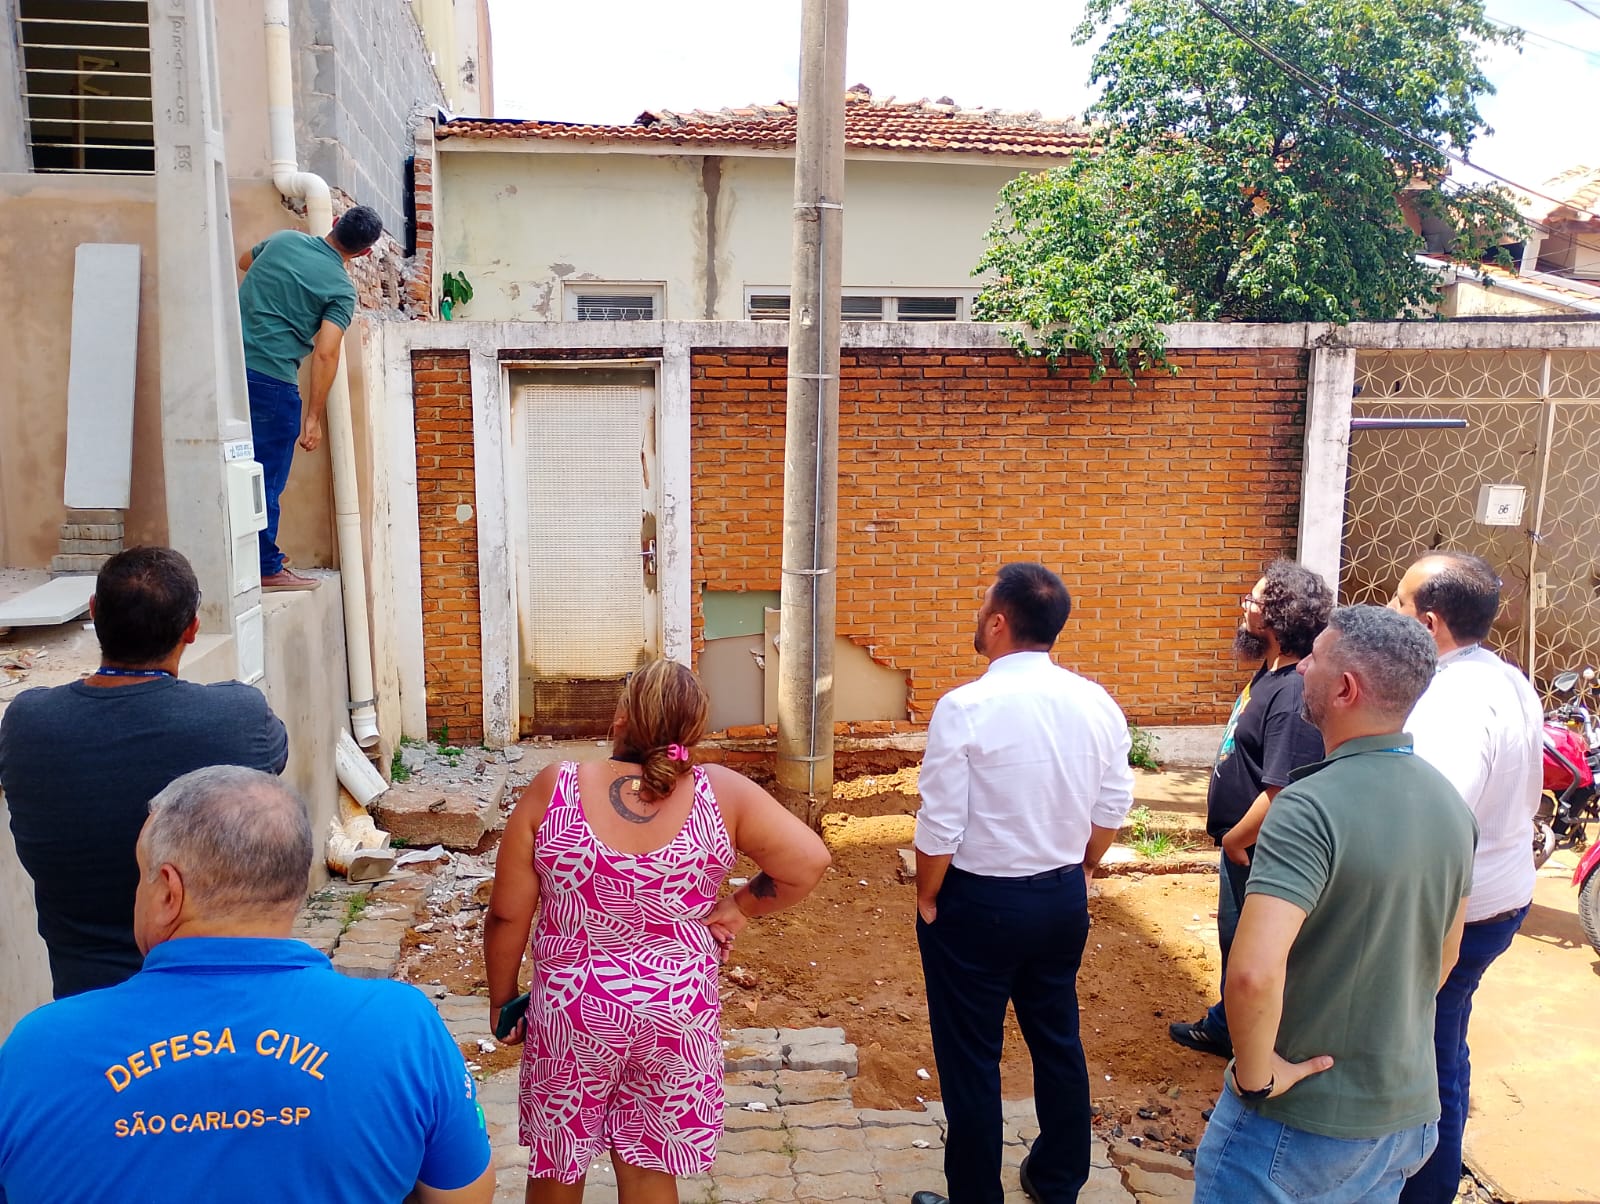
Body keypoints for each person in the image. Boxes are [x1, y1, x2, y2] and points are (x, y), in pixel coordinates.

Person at [0, 765, 493, 1203]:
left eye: (141, 877)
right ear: (297, 887)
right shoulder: (402, 1027)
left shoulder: (37, 1048)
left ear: (170, 892)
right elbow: (466, 1194)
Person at [483, 658, 830, 1202]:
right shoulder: (722, 794)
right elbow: (807, 861)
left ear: (622, 716)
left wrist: (502, 1000)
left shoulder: (557, 788)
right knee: (649, 1168)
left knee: (557, 1164)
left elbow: (507, 915)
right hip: (677, 1016)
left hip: (575, 1014)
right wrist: (738, 906)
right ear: (693, 732)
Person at [1194, 606, 1477, 1204]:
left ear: (1345, 688)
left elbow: (1250, 972)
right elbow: (1445, 955)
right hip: (1404, 1114)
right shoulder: (1449, 803)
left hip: (1299, 1127)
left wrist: (1256, 1076)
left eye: (1316, 658)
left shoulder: (1307, 807)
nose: (1302, 670)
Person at [911, 563, 1136, 1204]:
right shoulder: (1096, 701)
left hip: (977, 903)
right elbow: (1113, 803)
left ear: (999, 621)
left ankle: (976, 1196)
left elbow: (942, 821)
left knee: (971, 1056)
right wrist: (1084, 866)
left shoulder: (965, 707)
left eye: (984, 605)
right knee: (1056, 1035)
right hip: (1061, 897)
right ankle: (1058, 1179)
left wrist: (928, 894)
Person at [0, 546, 288, 997]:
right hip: (215, 1006)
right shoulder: (237, 716)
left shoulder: (28, 722)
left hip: (87, 999)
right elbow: (275, 754)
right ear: (192, 628)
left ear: (94, 613)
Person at [1389, 553, 1543, 1204]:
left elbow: (1437, 828)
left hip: (1459, 910)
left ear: (1428, 624)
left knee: (1423, 1056)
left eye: (1398, 605)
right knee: (1445, 1037)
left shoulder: (1450, 703)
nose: (1390, 613)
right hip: (1501, 894)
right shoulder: (1505, 678)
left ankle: (1424, 1188)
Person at [1170, 560, 1330, 1060]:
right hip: (1242, 848)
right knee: (1232, 942)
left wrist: (1237, 838)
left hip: (1257, 852)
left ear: (1279, 616)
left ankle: (1251, 1047)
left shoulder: (1293, 693)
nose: (1245, 608)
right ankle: (1227, 1024)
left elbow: (1282, 787)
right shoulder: (1273, 671)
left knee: (1249, 950)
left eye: (1255, 602)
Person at [236, 204, 383, 590]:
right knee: (265, 477)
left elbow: (243, 262)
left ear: (335, 224)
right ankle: (266, 567)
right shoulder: (339, 288)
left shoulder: (284, 240)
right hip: (272, 380)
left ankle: (230, 560)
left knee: (229, 467)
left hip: (228, 370)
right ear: (364, 253)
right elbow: (326, 351)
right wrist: (313, 417)